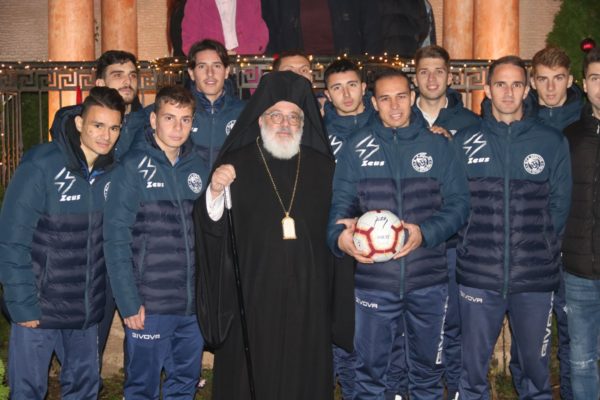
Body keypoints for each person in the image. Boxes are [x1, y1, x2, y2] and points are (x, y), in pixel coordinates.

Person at [193, 71, 353, 399]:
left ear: (304, 124)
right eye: (276, 115)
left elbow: (340, 224)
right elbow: (210, 224)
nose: (284, 124)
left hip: (309, 297)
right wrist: (215, 191)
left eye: (293, 117)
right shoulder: (235, 163)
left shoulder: (324, 168)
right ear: (260, 120)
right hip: (252, 296)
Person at [328, 68, 470, 399]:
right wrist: (339, 238)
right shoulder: (356, 147)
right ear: (374, 102)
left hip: (428, 281)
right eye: (386, 98)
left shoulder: (438, 146)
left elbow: (460, 205)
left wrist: (426, 233)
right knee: (370, 374)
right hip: (373, 284)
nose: (394, 106)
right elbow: (339, 208)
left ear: (413, 97)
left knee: (427, 374)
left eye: (402, 97)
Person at [454, 56, 572, 400]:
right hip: (478, 275)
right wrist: (469, 245)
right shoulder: (465, 140)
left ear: (526, 89)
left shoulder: (550, 141)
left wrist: (543, 246)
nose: (508, 92)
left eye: (516, 84)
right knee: (472, 374)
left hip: (534, 279)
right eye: (501, 84)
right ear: (488, 89)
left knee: (536, 376)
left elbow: (559, 206)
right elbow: (454, 202)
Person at [0, 87, 125, 399]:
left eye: (114, 128)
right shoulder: (41, 164)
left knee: (84, 391)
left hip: (85, 311)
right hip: (38, 308)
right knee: (27, 392)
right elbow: (12, 239)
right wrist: (21, 304)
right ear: (80, 123)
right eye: (98, 125)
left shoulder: (113, 172)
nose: (106, 136)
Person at [103, 86, 208, 399]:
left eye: (185, 119)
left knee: (184, 384)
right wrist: (128, 301)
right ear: (153, 120)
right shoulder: (132, 167)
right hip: (150, 305)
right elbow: (116, 239)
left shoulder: (199, 167)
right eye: (169, 118)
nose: (177, 127)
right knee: (141, 389)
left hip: (192, 306)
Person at [509, 45, 582, 400]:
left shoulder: (587, 121)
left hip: (576, 249)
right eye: (543, 79)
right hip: (529, 250)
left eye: (558, 78)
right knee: (527, 336)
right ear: (532, 82)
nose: (551, 87)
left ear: (570, 80)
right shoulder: (517, 120)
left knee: (574, 337)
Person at [410, 44, 480, 400]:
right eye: (424, 71)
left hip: (454, 242)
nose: (432, 78)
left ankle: (455, 390)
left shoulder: (469, 122)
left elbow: (478, 181)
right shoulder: (400, 116)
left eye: (439, 71)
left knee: (453, 324)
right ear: (415, 77)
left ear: (450, 76)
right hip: (410, 243)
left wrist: (451, 148)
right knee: (413, 326)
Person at [322, 58, 373, 399]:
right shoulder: (316, 134)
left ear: (364, 88)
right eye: (337, 88)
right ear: (327, 94)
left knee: (369, 327)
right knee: (335, 321)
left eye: (352, 85)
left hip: (378, 244)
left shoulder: (383, 126)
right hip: (333, 242)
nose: (346, 94)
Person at [562, 46, 600, 400]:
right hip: (578, 272)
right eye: (596, 78)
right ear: (584, 85)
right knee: (582, 361)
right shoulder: (570, 137)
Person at [51, 50, 146, 160]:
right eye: (118, 75)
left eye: (133, 75)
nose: (128, 82)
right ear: (100, 84)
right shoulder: (69, 118)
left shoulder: (149, 122)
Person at [187, 38, 246, 167]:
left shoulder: (244, 112)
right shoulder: (176, 111)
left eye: (217, 66)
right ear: (191, 73)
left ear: (226, 71)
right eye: (202, 66)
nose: (210, 73)